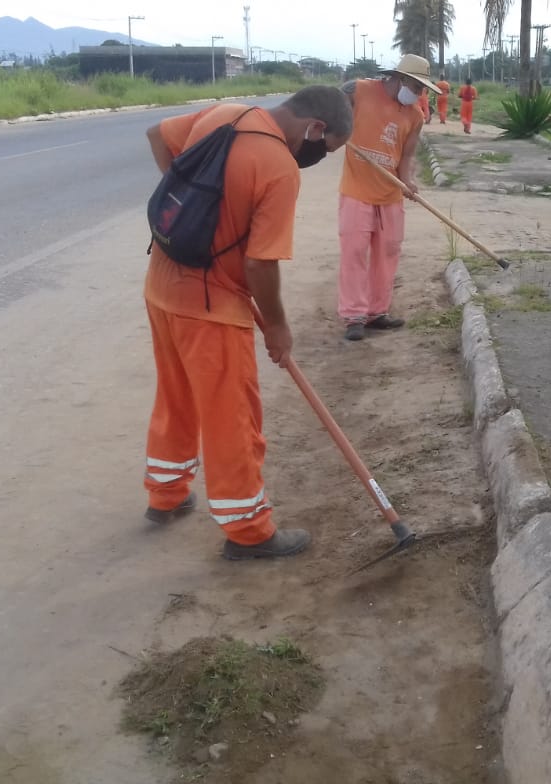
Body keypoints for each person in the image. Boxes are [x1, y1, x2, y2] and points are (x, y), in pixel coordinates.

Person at [142, 86, 353, 560]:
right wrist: (277, 327)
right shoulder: (277, 166)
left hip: (161, 287)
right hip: (212, 310)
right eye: (325, 148)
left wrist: (190, 213)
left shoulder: (225, 114)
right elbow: (260, 264)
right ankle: (248, 531)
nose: (317, 157)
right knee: (231, 419)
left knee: (175, 397)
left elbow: (158, 135)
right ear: (315, 128)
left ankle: (165, 497)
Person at [338, 53, 440, 341]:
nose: (419, 93)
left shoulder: (415, 116)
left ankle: (377, 312)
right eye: (417, 86)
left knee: (388, 252)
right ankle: (354, 315)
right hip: (356, 190)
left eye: (422, 89)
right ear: (400, 78)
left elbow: (406, 156)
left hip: (390, 193)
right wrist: (336, 133)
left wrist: (407, 181)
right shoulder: (357, 90)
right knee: (355, 251)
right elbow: (332, 112)